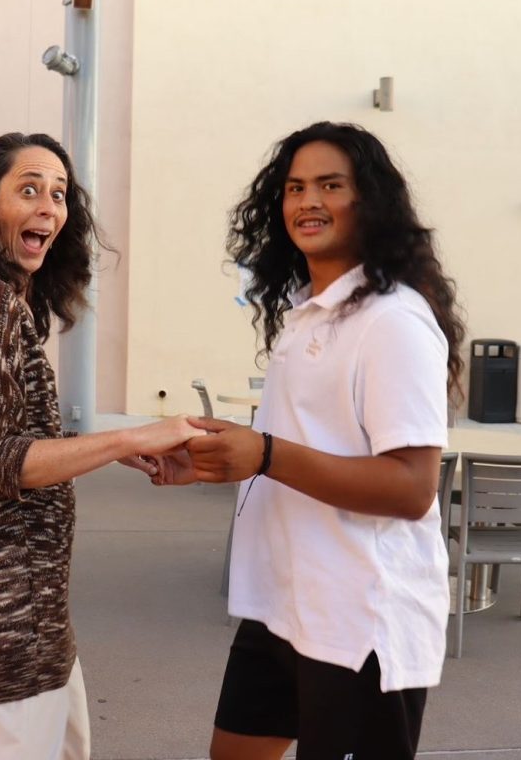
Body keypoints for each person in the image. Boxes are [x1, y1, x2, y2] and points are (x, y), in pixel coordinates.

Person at [152, 122, 465, 760]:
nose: (306, 201)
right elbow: (302, 446)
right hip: (283, 604)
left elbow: (410, 489)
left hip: (360, 620)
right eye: (295, 187)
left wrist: (263, 454)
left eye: (330, 184)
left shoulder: (393, 321)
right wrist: (214, 462)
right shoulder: (308, 313)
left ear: (370, 202)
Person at [0, 132, 201, 760]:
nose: (49, 207)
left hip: (28, 590)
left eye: (59, 194)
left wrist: (100, 448)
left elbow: (1, 436)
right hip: (2, 590)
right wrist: (132, 434)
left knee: (55, 743)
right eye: (28, 190)